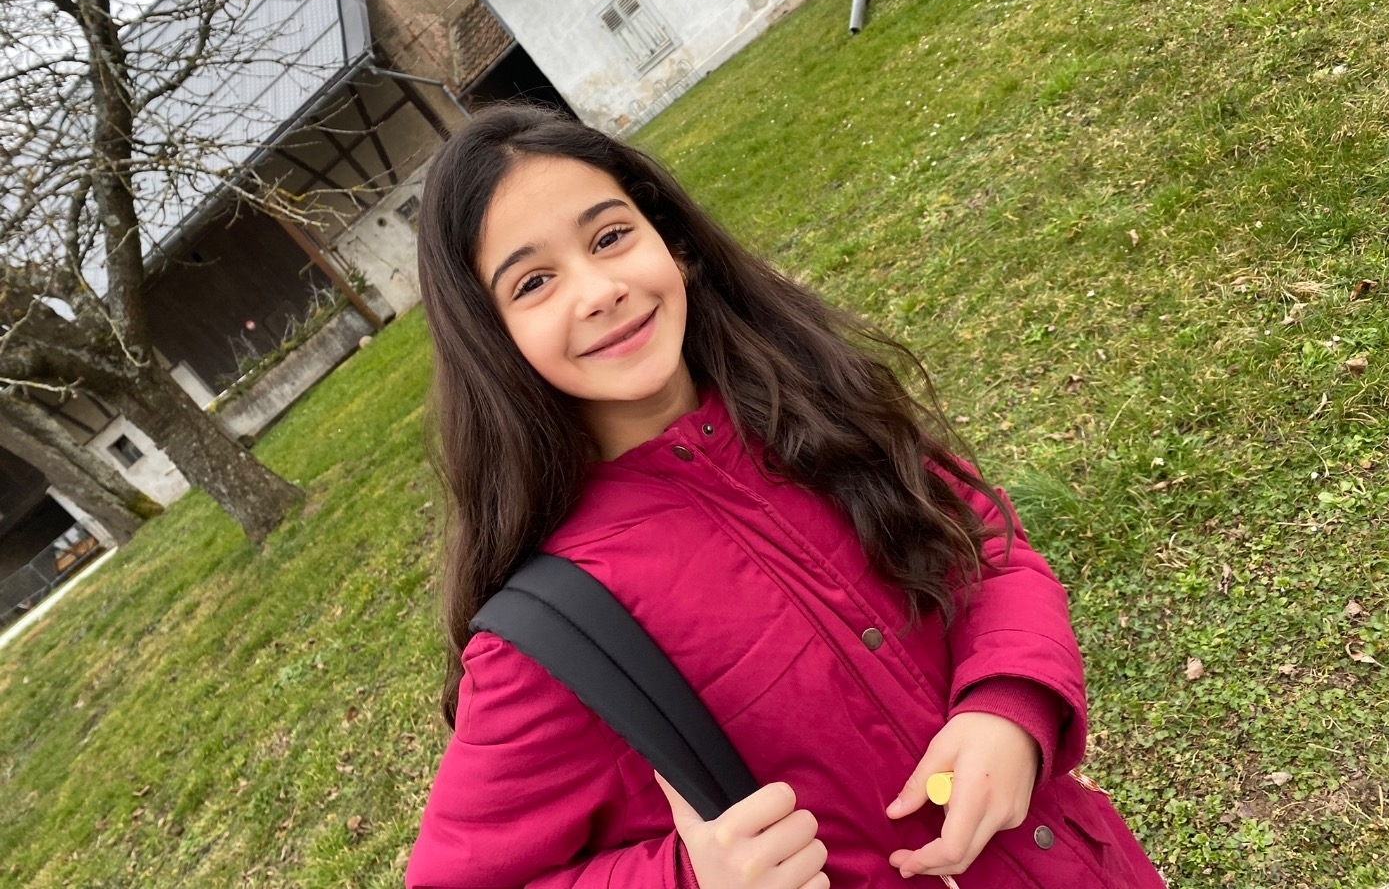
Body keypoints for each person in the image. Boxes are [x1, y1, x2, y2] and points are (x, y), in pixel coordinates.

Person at [406, 102, 1164, 889]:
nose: (599, 290)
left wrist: (1010, 704)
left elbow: (979, 542)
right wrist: (691, 880)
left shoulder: (806, 400)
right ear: (492, 339)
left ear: (672, 241)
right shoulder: (557, 633)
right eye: (533, 282)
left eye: (610, 237)